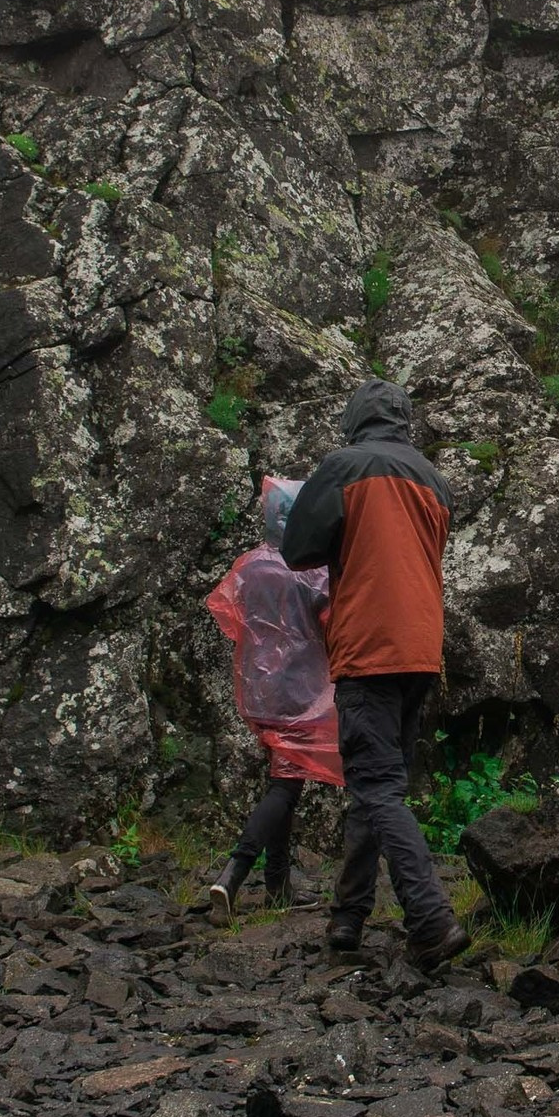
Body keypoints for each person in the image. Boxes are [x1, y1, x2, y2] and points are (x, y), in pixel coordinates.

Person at [280, 379, 469, 969]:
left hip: (369, 644)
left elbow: (298, 549)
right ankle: (348, 917)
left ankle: (431, 920)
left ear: (356, 418)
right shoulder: (434, 479)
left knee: (377, 786)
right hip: (421, 647)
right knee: (376, 782)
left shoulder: (345, 466)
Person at [202, 477, 345, 924]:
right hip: (301, 696)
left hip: (259, 692)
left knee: (284, 778)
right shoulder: (313, 570)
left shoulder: (249, 566)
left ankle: (278, 885)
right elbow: (333, 623)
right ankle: (234, 873)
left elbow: (229, 614)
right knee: (286, 786)